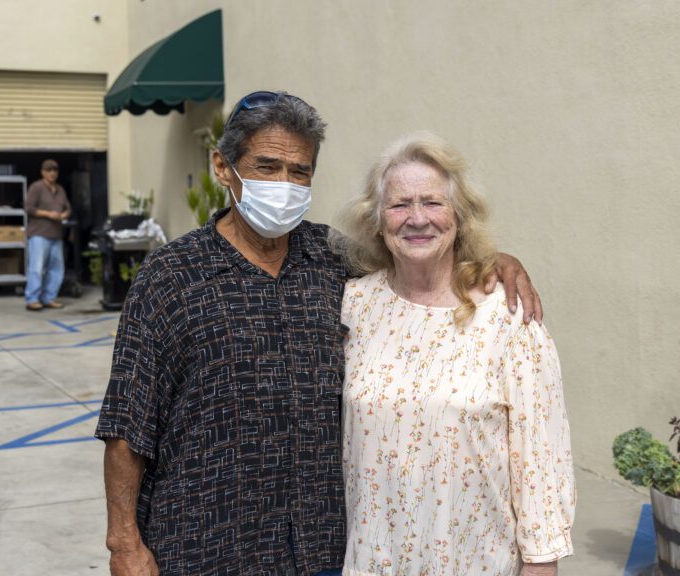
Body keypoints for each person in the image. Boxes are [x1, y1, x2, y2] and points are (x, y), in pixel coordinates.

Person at [95, 91, 542, 576]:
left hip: (320, 546)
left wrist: (493, 262)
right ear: (224, 168)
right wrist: (124, 543)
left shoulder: (335, 260)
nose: (284, 183)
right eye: (266, 167)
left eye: (299, 171)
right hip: (205, 542)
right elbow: (127, 424)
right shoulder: (169, 277)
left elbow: (418, 253)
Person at [333, 133, 575, 576]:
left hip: (476, 562)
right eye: (400, 204)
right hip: (374, 562)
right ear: (377, 221)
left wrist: (541, 563)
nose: (417, 218)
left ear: (460, 218)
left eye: (433, 203)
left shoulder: (506, 316)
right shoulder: (353, 305)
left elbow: (540, 456)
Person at [24, 158, 70, 311]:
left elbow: (68, 208)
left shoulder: (60, 190)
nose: (52, 173)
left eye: (54, 170)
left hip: (56, 235)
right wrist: (48, 214)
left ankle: (49, 297)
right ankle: (32, 299)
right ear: (43, 172)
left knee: (56, 269)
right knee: (36, 268)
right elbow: (29, 208)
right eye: (49, 170)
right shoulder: (36, 188)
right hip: (39, 234)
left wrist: (64, 214)